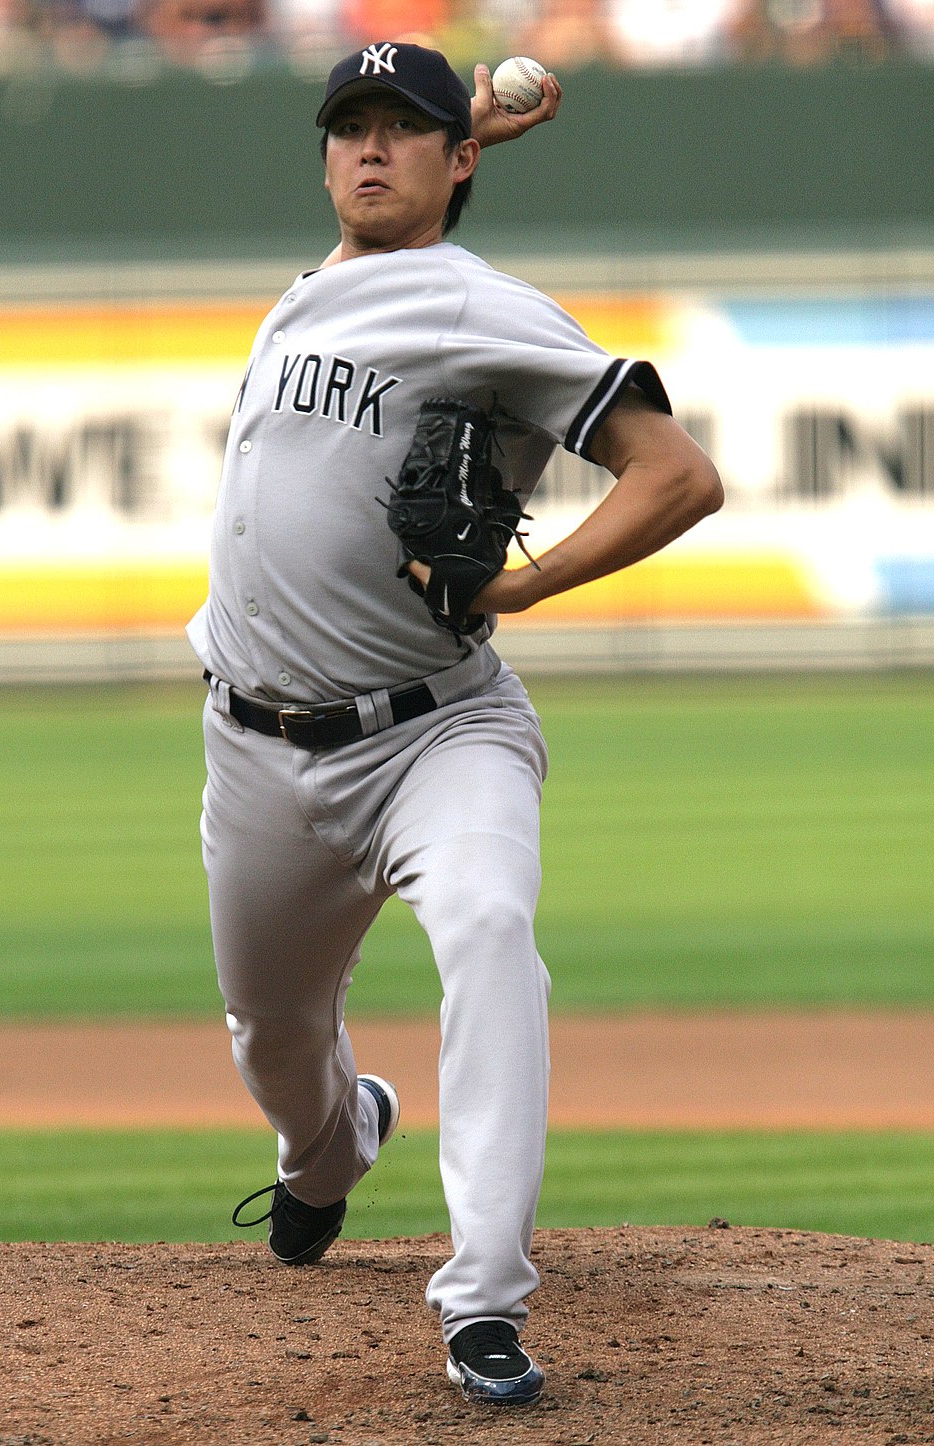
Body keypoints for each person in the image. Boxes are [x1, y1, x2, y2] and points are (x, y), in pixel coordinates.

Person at [187, 40, 722, 1407]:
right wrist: (442, 121)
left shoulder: (485, 309)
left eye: (399, 132)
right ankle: (329, 1153)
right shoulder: (321, 286)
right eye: (348, 128)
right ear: (322, 158)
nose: (370, 148)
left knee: (488, 930)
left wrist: (523, 582)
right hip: (251, 745)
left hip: (440, 734)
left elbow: (679, 474)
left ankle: (483, 1297)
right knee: (270, 1029)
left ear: (458, 162)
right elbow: (388, 216)